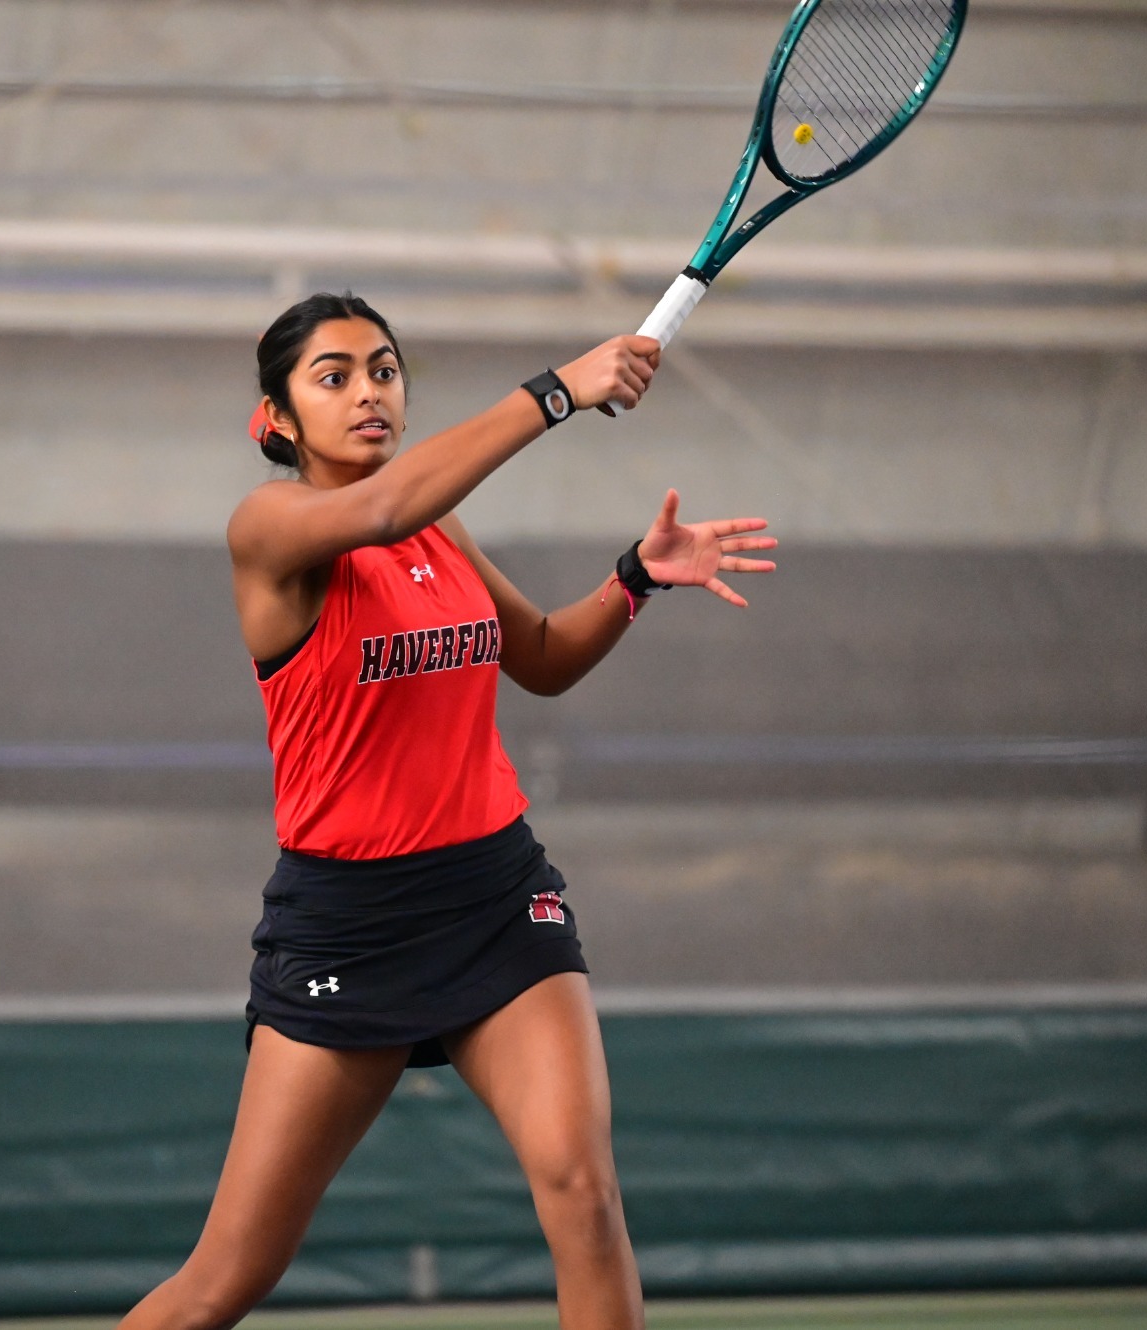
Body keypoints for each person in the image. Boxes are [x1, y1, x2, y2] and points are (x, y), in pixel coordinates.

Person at [118, 293, 777, 1330]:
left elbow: (545, 659)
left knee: (584, 1195)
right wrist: (560, 389)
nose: (368, 391)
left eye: (382, 369)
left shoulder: (440, 526)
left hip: (494, 896)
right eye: (331, 376)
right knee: (227, 1276)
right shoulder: (270, 528)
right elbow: (379, 511)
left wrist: (633, 578)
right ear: (277, 419)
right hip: (346, 921)